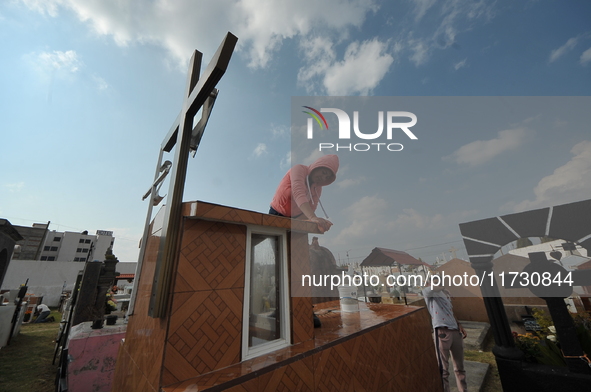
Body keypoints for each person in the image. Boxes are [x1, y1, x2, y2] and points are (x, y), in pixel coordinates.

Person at [269, 154, 339, 233]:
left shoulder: (318, 188)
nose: (323, 178)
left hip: (296, 218)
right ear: (317, 166)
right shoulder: (298, 169)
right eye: (323, 172)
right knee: (269, 239)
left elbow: (312, 207)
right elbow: (298, 193)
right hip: (277, 213)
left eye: (327, 177)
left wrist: (316, 222)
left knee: (292, 244)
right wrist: (313, 217)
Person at [422, 277, 468, 392]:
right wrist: (444, 288)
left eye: (439, 281)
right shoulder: (428, 293)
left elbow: (450, 311)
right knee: (443, 370)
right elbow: (432, 289)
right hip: (442, 331)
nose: (438, 283)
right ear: (429, 283)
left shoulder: (444, 295)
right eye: (435, 281)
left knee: (460, 368)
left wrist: (459, 325)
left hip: (455, 331)